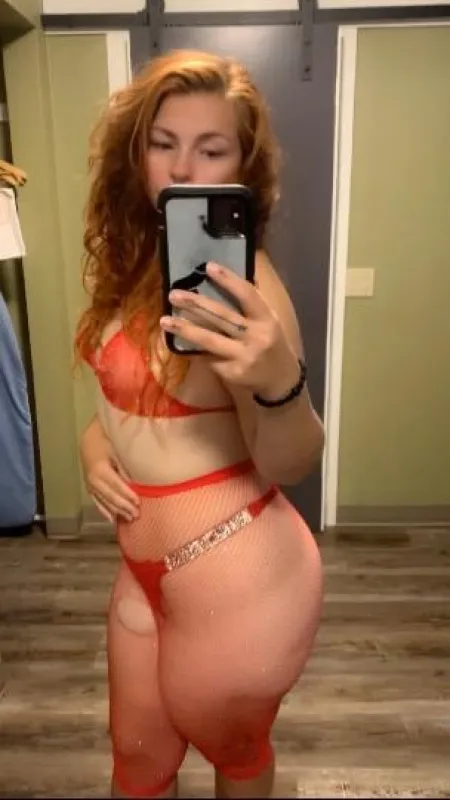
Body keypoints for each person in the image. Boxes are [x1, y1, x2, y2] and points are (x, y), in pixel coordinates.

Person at [75, 49, 324, 800]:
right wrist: (93, 445)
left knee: (235, 755)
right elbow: (125, 405)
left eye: (210, 150)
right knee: (137, 764)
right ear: (137, 151)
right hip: (143, 570)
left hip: (237, 577)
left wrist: (279, 383)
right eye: (164, 143)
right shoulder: (138, 260)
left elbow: (291, 460)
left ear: (242, 166)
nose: (182, 168)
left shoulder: (246, 288)